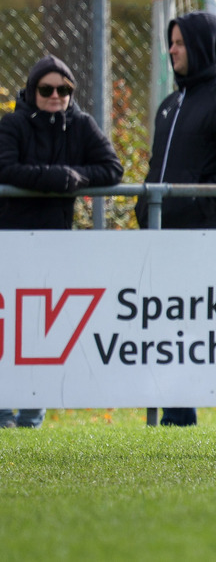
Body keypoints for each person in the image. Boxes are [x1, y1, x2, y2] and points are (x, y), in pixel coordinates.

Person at [134, 10, 216, 427]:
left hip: (211, 241)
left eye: (180, 43)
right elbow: (158, 170)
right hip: (166, 242)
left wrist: (188, 205)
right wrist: (146, 210)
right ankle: (177, 417)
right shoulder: (170, 105)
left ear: (202, 46)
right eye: (170, 43)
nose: (172, 51)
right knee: (173, 331)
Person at [0, 55, 124, 428]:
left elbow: (112, 169)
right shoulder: (13, 123)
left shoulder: (81, 125)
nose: (56, 96)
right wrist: (56, 178)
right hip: (11, 243)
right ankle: (4, 411)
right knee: (8, 329)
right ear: (32, 91)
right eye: (47, 89)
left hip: (55, 244)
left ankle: (33, 414)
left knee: (44, 332)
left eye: (64, 90)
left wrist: (75, 177)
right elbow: (4, 167)